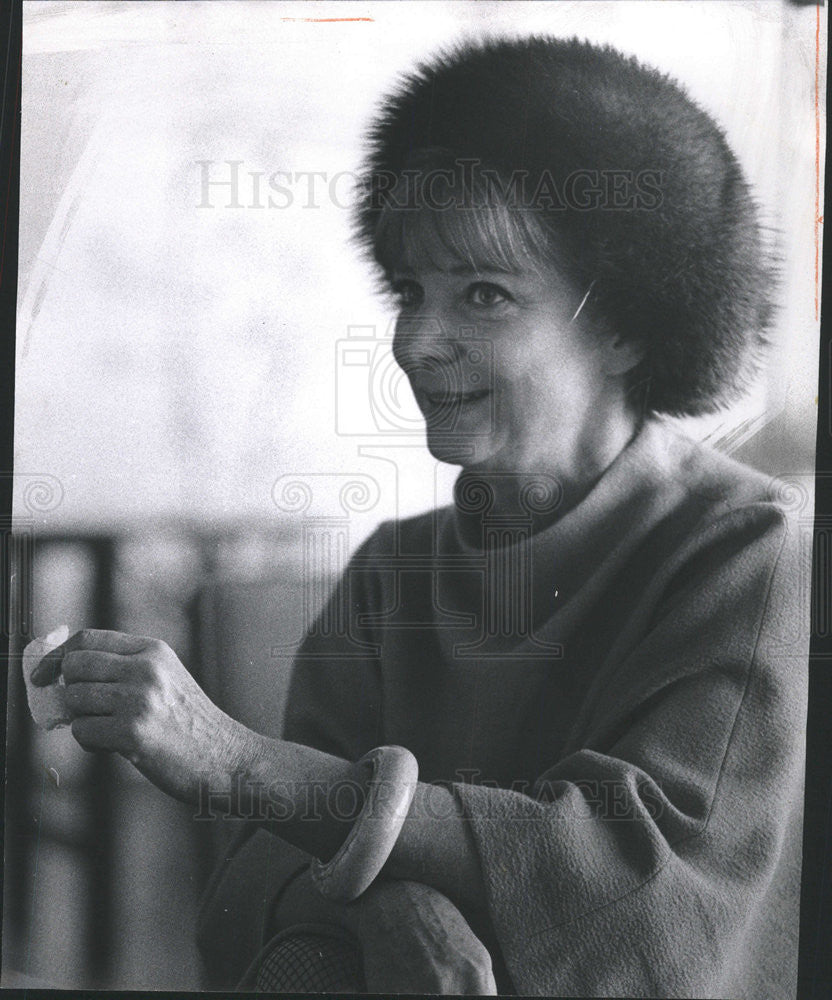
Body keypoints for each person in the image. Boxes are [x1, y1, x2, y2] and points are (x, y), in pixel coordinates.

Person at [32, 36, 810, 997]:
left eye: (483, 294)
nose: (415, 340)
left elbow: (643, 905)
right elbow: (240, 900)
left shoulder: (757, 554)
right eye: (411, 290)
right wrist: (391, 905)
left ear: (626, 328)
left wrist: (239, 763)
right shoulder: (392, 572)